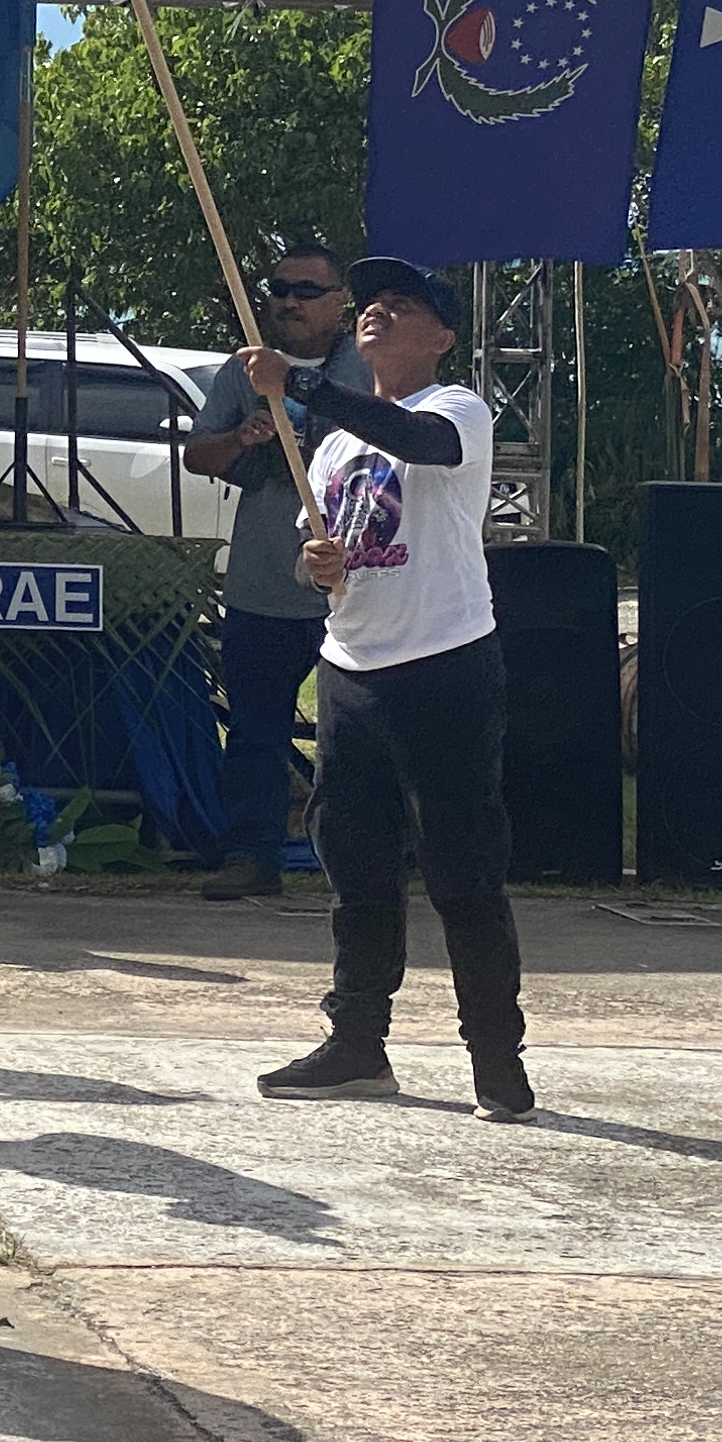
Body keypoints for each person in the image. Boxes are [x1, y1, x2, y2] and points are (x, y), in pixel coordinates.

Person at [247, 257, 531, 1120]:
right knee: (355, 865)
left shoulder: (456, 410)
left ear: (441, 337)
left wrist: (299, 384)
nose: (377, 312)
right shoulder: (330, 448)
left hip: (444, 662)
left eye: (400, 306)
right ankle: (357, 1042)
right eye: (370, 304)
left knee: (461, 866)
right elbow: (317, 561)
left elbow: (420, 449)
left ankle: (495, 1055)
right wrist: (314, 564)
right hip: (351, 668)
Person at [182, 241, 375, 900]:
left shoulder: (368, 370)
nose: (289, 301)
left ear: (340, 300)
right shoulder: (247, 373)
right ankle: (250, 856)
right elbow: (197, 455)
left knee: (362, 736)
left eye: (306, 290)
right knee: (256, 732)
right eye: (279, 288)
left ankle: (366, 858)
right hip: (263, 582)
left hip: (352, 586)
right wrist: (241, 439)